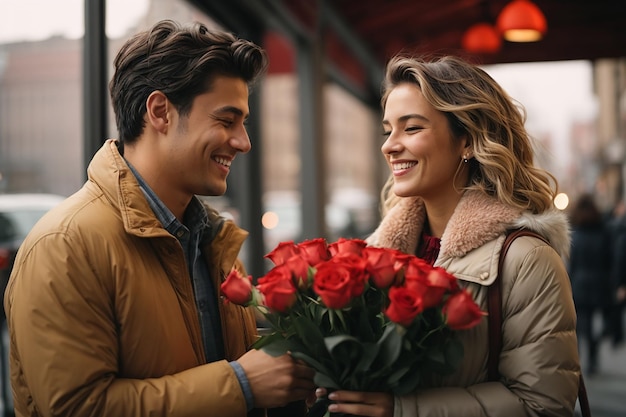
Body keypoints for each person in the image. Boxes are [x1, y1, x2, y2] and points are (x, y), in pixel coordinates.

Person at [3, 20, 314, 417]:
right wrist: (240, 384)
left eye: (243, 123)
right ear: (160, 112)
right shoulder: (64, 246)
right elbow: (77, 408)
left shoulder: (211, 242)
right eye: (226, 120)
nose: (243, 142)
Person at [316, 55, 580, 416]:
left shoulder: (527, 260)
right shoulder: (377, 256)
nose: (389, 145)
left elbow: (544, 406)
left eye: (411, 128)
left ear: (467, 141)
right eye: (387, 130)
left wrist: (401, 411)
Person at [568, 193, 614, 375]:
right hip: (599, 283)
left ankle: (578, 360)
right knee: (599, 322)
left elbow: (572, 263)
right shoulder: (603, 233)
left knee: (581, 323)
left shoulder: (575, 234)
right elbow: (609, 260)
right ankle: (593, 357)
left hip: (580, 283)